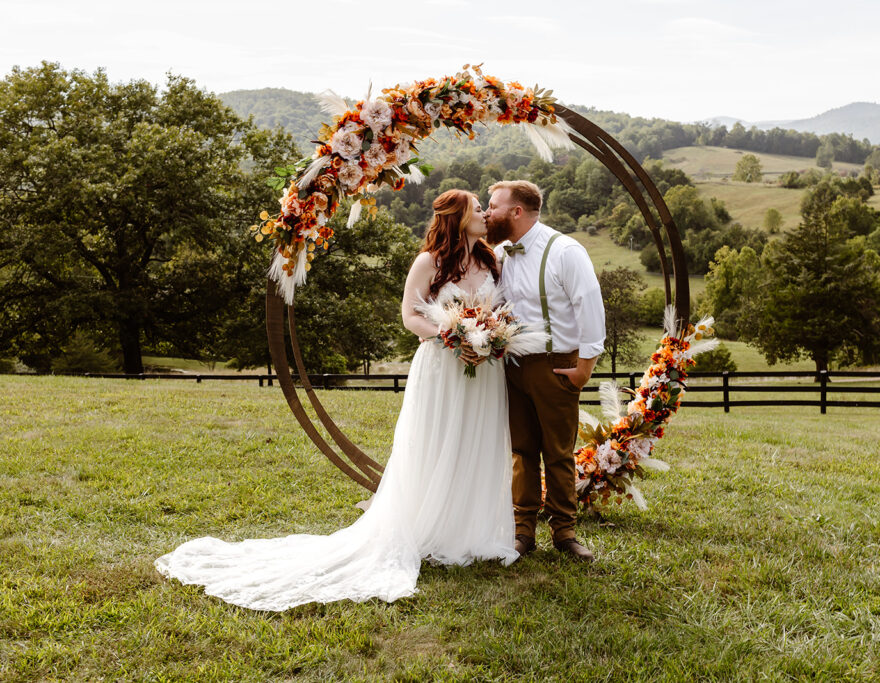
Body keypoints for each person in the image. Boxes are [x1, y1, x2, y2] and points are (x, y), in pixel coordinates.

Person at [154, 189, 518, 610]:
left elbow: (502, 311)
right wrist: (451, 334)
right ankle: (430, 527)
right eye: (477, 208)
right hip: (442, 366)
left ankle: (471, 533)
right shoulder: (429, 262)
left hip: (484, 371)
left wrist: (490, 338)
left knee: (477, 443)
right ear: (457, 217)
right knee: (438, 442)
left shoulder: (493, 260)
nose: (484, 215)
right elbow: (410, 316)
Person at [484, 180, 605, 563]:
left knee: (557, 452)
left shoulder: (565, 250)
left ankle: (565, 533)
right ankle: (523, 533)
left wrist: (584, 368)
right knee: (522, 450)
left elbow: (589, 305)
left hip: (556, 365)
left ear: (516, 212)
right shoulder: (501, 251)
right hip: (513, 366)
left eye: (493, 206)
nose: (487, 213)